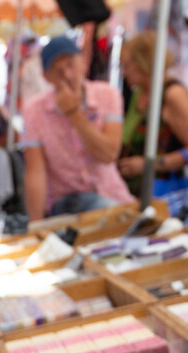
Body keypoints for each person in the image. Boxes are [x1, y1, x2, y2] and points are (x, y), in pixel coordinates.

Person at [20, 35, 133, 219]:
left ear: (83, 63)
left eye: (71, 65)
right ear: (46, 77)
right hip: (67, 202)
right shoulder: (34, 110)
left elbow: (109, 154)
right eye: (58, 70)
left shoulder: (107, 95)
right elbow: (35, 173)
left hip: (113, 194)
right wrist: (36, 223)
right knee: (110, 215)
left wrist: (74, 115)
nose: (67, 75)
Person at [117, 30, 188, 196]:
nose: (124, 72)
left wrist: (148, 164)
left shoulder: (172, 94)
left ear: (143, 63)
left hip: (163, 193)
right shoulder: (139, 93)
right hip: (131, 193)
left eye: (127, 66)